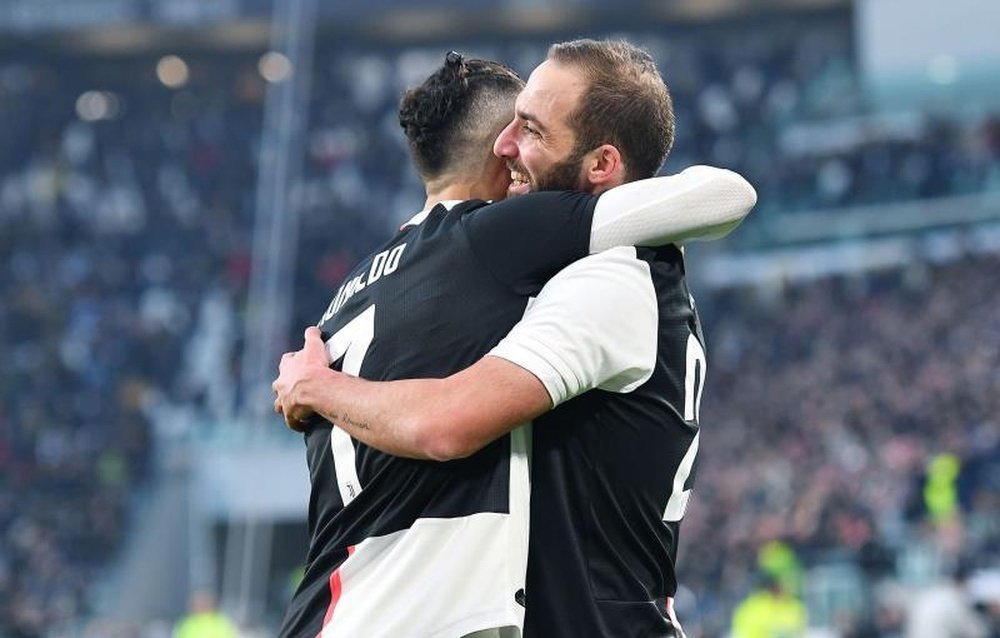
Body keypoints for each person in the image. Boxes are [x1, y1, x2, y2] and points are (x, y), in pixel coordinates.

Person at [274, 45, 755, 637]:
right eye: (510, 126)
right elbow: (721, 193)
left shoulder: (356, 291)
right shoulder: (504, 251)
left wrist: (318, 387)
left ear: (602, 164)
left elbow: (445, 421)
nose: (508, 148)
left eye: (529, 130)